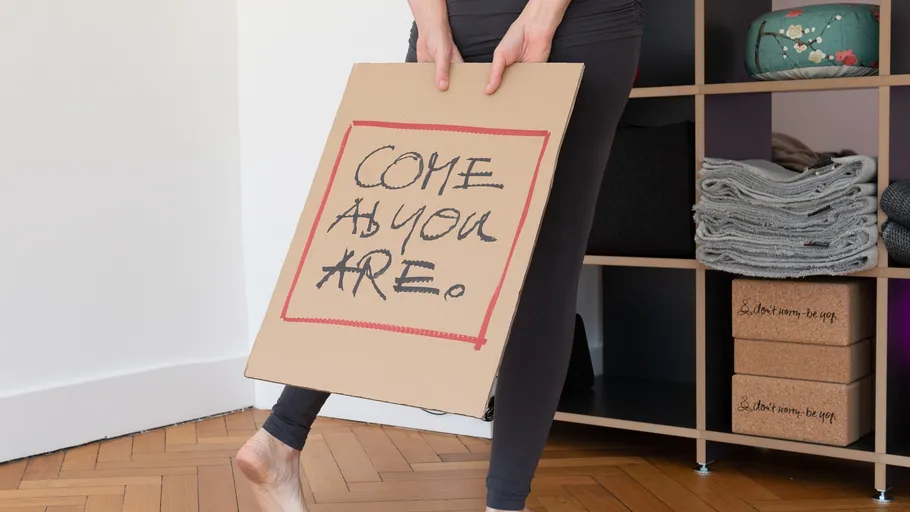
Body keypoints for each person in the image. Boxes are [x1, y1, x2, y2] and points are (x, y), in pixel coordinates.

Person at [236, 0, 643, 510]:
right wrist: (542, 16)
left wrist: (430, 21)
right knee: (542, 274)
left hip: (455, 23)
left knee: (394, 239)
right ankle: (504, 503)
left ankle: (281, 434)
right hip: (574, 23)